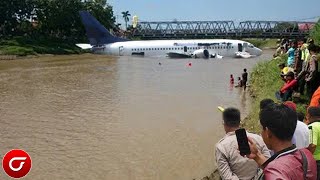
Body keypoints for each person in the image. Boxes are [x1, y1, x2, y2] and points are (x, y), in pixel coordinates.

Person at [246, 104, 317, 179]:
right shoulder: (306, 154)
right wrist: (257, 156)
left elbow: (277, 170)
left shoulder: (274, 172)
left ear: (268, 132)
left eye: (262, 129)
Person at [215, 108, 270, 180]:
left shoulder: (221, 147)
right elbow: (268, 164)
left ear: (223, 123)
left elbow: (227, 177)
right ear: (240, 122)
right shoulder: (258, 138)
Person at [307, 106, 320, 179]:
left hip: (316, 161)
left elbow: (312, 145)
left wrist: (308, 158)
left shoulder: (312, 127)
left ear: (309, 115)